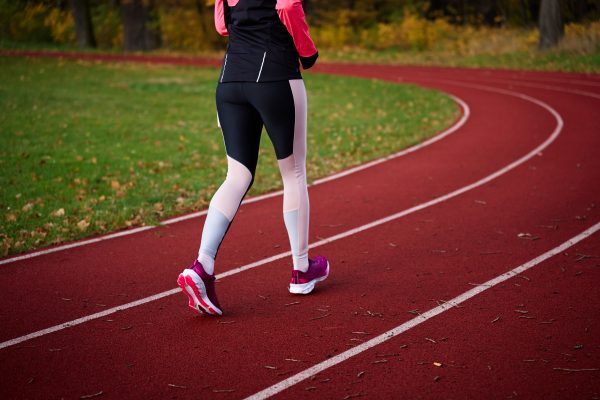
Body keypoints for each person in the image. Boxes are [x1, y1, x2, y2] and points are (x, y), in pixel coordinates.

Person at [177, 0, 330, 316]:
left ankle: (202, 265)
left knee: (237, 175)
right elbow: (287, 6)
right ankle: (301, 270)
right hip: (274, 77)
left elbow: (222, 26)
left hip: (230, 81)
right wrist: (307, 52)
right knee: (293, 171)